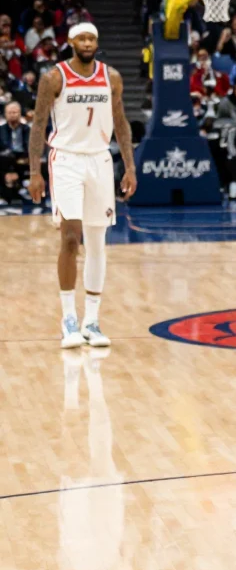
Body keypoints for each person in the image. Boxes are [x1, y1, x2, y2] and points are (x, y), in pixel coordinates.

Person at [29, 23, 135, 349]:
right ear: (71, 42)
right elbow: (38, 123)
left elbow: (120, 121)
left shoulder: (111, 77)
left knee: (98, 243)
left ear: (96, 43)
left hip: (100, 160)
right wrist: (35, 170)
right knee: (71, 237)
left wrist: (129, 166)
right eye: (82, 38)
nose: (87, 43)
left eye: (92, 38)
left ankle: (91, 320)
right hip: (66, 160)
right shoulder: (54, 77)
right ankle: (68, 318)